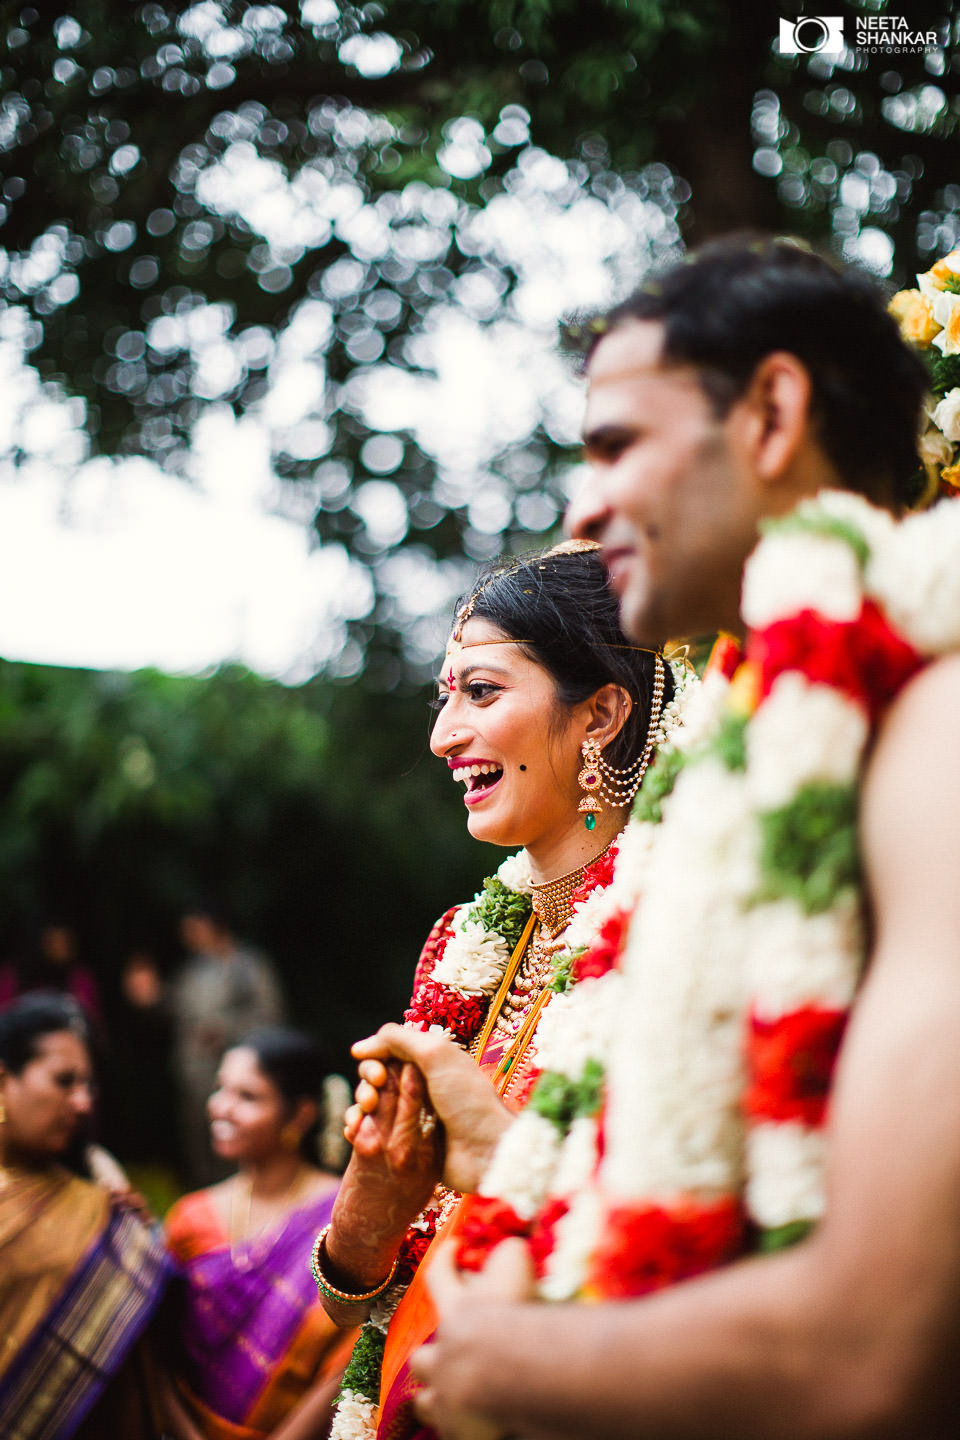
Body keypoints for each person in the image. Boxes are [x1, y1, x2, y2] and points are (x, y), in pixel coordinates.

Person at [352, 235, 960, 1439]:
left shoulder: (931, 723)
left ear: (774, 412)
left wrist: (503, 1371)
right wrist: (500, 1162)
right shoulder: (734, 772)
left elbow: (877, 1350)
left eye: (617, 445)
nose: (583, 506)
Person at [315, 541, 689, 1440]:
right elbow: (354, 1299)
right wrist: (372, 1194)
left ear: (600, 712)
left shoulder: (677, 931)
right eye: (445, 697)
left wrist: (496, 1153)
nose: (443, 736)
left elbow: (664, 1244)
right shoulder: (461, 943)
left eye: (480, 693)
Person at [163, 1026, 357, 1440]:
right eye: (221, 1090)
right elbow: (153, 1352)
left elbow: (350, 1355)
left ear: (300, 1115)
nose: (221, 1108)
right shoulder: (190, 1218)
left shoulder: (343, 1217)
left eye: (247, 1097)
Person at [0, 992, 171, 1439]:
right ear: (3, 1081)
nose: (82, 1103)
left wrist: (135, 1241)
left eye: (87, 1085)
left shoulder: (100, 1191)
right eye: (64, 1081)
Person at [170, 903, 285, 1184]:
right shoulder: (191, 971)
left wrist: (225, 1031)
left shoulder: (248, 967)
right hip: (194, 1079)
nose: (189, 937)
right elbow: (176, 1012)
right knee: (201, 1148)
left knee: (240, 1149)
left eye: (194, 929)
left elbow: (271, 1015)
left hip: (240, 1079)